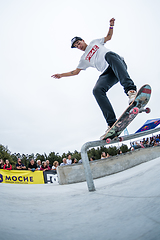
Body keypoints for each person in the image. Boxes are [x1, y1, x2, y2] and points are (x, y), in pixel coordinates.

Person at [51, 18, 137, 137]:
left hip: (116, 63)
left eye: (78, 43)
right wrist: (61, 75)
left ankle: (131, 91)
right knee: (97, 90)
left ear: (83, 40)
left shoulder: (94, 42)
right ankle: (112, 123)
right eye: (76, 46)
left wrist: (111, 26)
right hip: (108, 73)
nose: (78, 46)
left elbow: (108, 37)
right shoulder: (83, 59)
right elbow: (75, 72)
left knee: (109, 54)